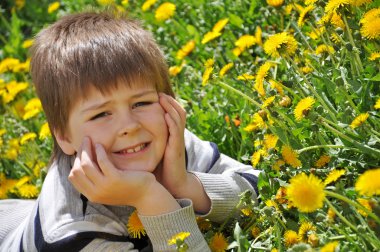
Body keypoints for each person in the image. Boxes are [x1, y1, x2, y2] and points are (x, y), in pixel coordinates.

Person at [0, 11, 260, 251]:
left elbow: (263, 191)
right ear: (64, 136)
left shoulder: (164, 142)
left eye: (141, 103)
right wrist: (149, 195)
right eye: (101, 114)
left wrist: (184, 184)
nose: (130, 126)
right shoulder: (71, 231)